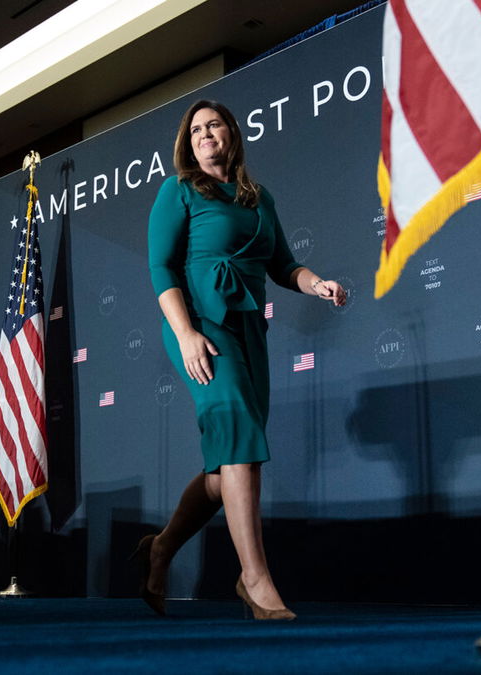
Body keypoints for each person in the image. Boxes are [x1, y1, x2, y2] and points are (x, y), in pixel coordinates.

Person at [136, 99, 346, 620]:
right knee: (240, 444)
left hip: (249, 328)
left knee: (227, 462)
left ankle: (161, 547)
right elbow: (162, 268)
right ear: (188, 143)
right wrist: (184, 334)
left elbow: (282, 264)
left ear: (233, 133)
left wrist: (317, 284)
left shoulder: (259, 197)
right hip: (201, 327)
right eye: (196, 129)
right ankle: (253, 579)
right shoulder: (177, 190)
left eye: (214, 125)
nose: (205, 134)